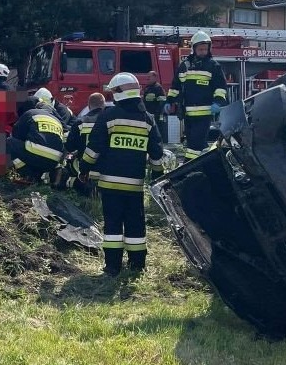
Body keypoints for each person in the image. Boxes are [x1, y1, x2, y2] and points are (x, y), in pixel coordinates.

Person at [80, 72, 165, 277]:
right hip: (135, 186)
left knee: (113, 226)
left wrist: (84, 167)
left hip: (110, 184)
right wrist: (157, 175)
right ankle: (137, 265)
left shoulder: (109, 116)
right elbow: (156, 151)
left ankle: (112, 267)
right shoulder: (147, 119)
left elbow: (94, 148)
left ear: (119, 92)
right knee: (136, 225)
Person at [164, 31, 228, 161]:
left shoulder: (213, 66)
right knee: (197, 143)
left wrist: (218, 102)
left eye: (205, 49)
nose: (203, 52)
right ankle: (209, 164)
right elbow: (175, 86)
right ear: (193, 49)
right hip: (187, 114)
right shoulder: (184, 66)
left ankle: (187, 167)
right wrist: (169, 101)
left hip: (204, 114)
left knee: (194, 145)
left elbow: (221, 87)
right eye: (200, 49)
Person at [7, 88, 65, 183]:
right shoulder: (56, 119)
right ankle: (38, 176)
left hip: (36, 154)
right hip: (54, 160)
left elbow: (16, 134)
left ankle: (27, 174)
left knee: (9, 142)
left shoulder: (30, 113)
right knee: (33, 151)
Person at [60, 92, 106, 194]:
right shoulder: (110, 121)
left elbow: (70, 147)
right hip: (108, 171)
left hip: (87, 171)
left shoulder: (80, 122)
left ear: (89, 106)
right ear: (104, 105)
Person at [142, 70, 167, 143]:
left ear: (155, 77)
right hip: (148, 114)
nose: (147, 79)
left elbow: (162, 101)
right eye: (147, 77)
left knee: (157, 131)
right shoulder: (148, 87)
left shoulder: (158, 88)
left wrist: (157, 114)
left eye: (149, 77)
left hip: (155, 115)